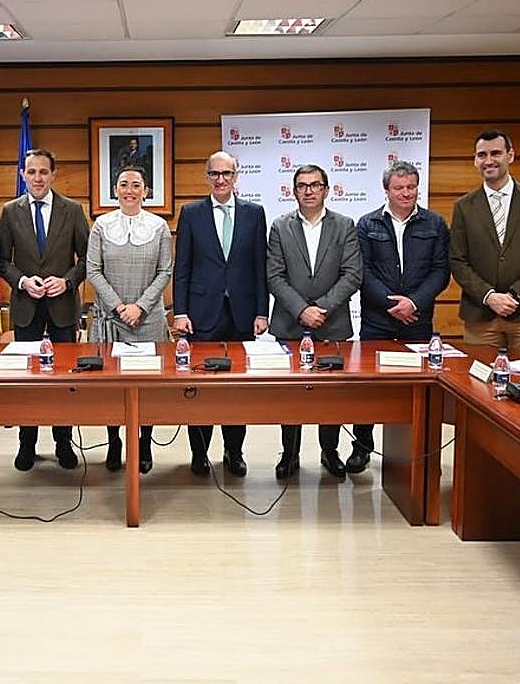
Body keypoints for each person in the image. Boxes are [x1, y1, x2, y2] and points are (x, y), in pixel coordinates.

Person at [173, 151, 268, 477]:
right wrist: (180, 312)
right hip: (202, 315)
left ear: (236, 176)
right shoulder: (191, 213)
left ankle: (233, 451)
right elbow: (182, 267)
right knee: (199, 388)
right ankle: (199, 453)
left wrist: (261, 311)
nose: (220, 179)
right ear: (207, 176)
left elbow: (260, 267)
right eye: (214, 173)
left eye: (226, 173)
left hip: (242, 315)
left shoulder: (254, 213)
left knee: (236, 390)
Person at [353, 160, 450, 474]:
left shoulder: (435, 224)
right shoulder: (367, 224)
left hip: (417, 321)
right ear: (386, 190)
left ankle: (416, 450)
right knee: (369, 389)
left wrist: (414, 303)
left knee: (416, 389)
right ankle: (361, 446)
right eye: (399, 188)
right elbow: (362, 272)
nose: (406, 193)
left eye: (411, 187)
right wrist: (392, 304)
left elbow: (441, 271)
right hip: (377, 321)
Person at [267, 164, 362, 480]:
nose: (309, 190)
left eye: (315, 185)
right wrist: (301, 310)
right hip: (290, 324)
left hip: (332, 324)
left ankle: (329, 452)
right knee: (289, 394)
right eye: (302, 185)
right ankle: (289, 454)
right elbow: (274, 276)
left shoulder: (344, 225)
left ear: (326, 189)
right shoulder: (280, 227)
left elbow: (353, 274)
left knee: (331, 394)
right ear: (294, 191)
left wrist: (321, 308)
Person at [0, 148, 89, 472]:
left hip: (63, 307)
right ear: (23, 174)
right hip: (26, 307)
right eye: (31, 171)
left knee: (64, 380)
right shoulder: (10, 211)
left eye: (43, 172)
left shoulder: (72, 210)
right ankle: (27, 444)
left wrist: (67, 281)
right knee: (29, 380)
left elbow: (87, 259)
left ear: (53, 174)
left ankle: (64, 442)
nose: (37, 178)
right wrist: (22, 282)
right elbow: (1, 261)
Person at [87, 166, 172, 474]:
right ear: (115, 190)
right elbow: (93, 270)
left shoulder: (159, 226)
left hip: (148, 320)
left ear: (145, 191)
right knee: (110, 388)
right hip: (111, 321)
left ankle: (144, 444)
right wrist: (119, 307)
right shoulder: (101, 225)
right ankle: (114, 442)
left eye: (136, 185)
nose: (130, 190)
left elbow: (165, 271)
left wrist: (140, 307)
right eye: (124, 184)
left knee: (148, 388)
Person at [449, 130, 520, 356]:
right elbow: (457, 261)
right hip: (481, 316)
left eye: (495, 153)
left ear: (510, 155)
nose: (488, 160)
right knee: (479, 377)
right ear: (475, 160)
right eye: (482, 155)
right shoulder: (463, 206)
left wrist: (516, 295)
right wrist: (489, 297)